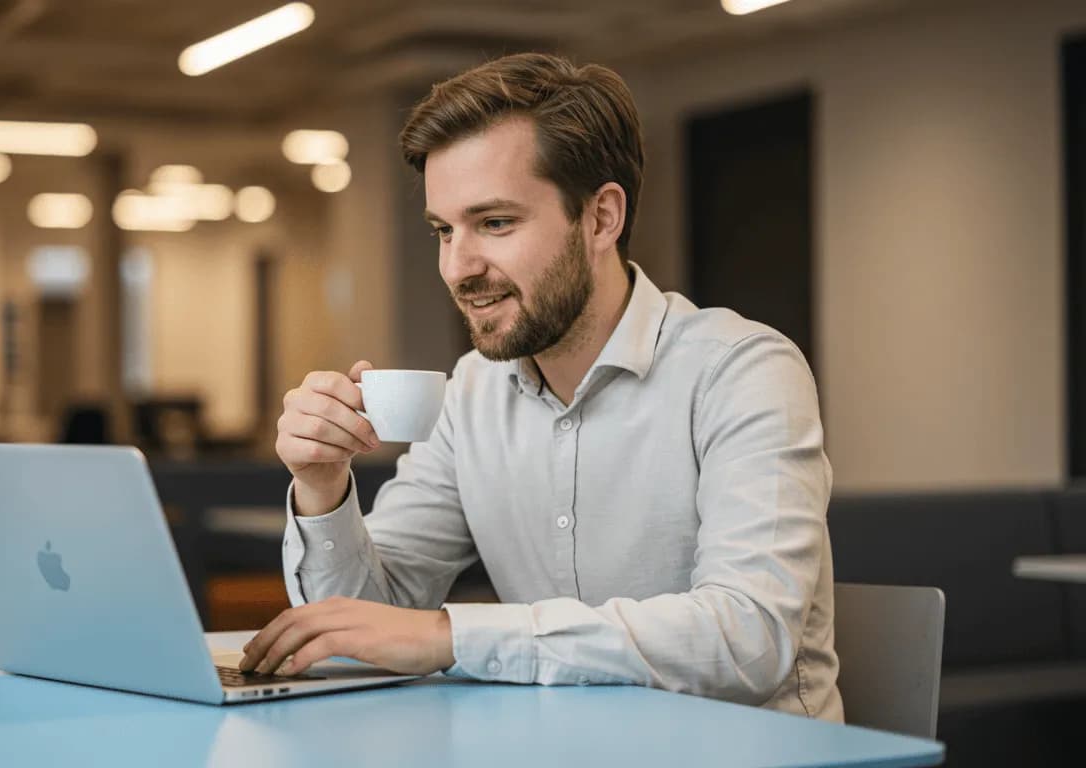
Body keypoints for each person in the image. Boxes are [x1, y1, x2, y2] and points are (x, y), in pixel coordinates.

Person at [238, 52, 841, 721]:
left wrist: (450, 636)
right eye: (444, 230)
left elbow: (748, 642)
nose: (458, 268)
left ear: (601, 219)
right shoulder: (473, 393)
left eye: (495, 223)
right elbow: (364, 628)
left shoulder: (742, 370)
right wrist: (323, 488)